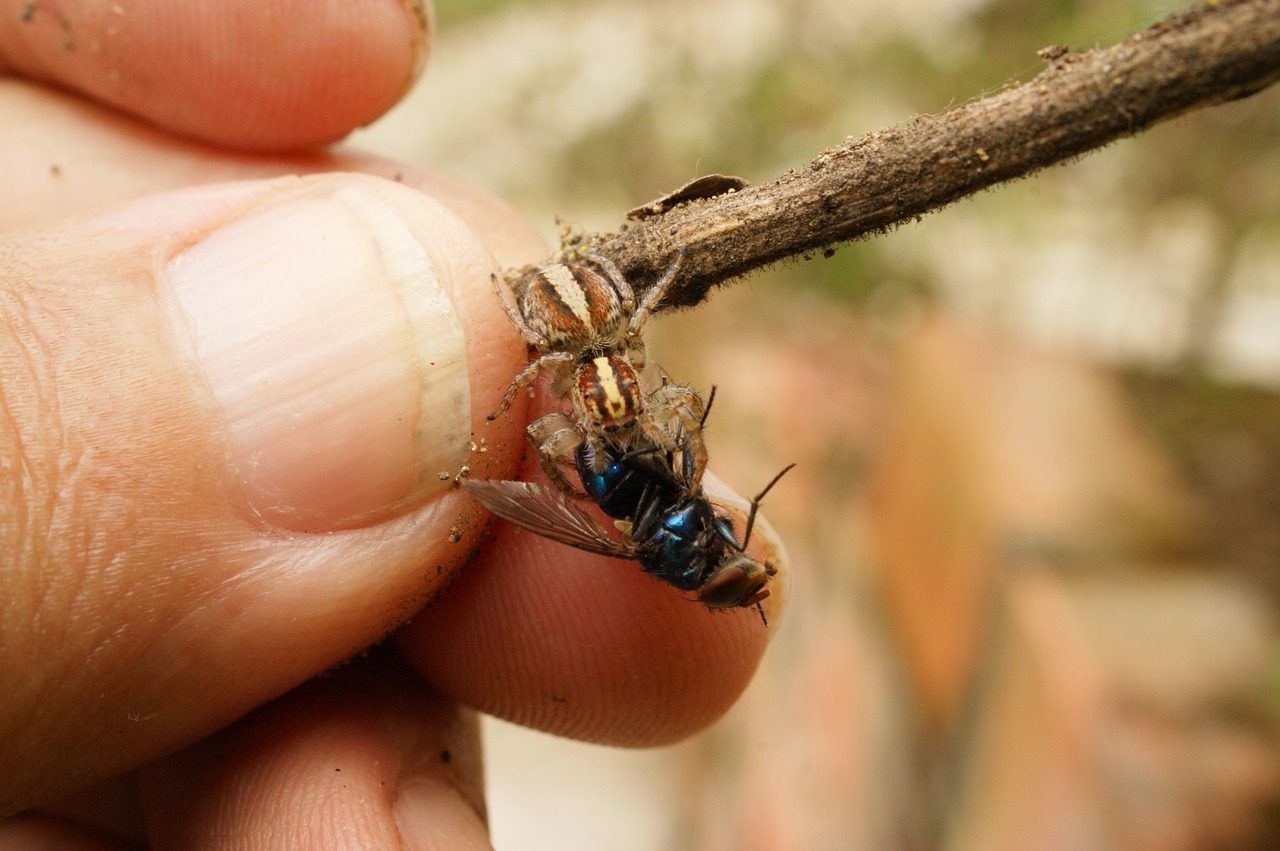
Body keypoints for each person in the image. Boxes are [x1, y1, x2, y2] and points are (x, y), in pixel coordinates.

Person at [0, 2, 786, 846]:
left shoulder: (603, 417)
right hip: (591, 340)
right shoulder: (600, 395)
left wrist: (586, 408)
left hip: (590, 351)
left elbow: (644, 407)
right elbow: (641, 395)